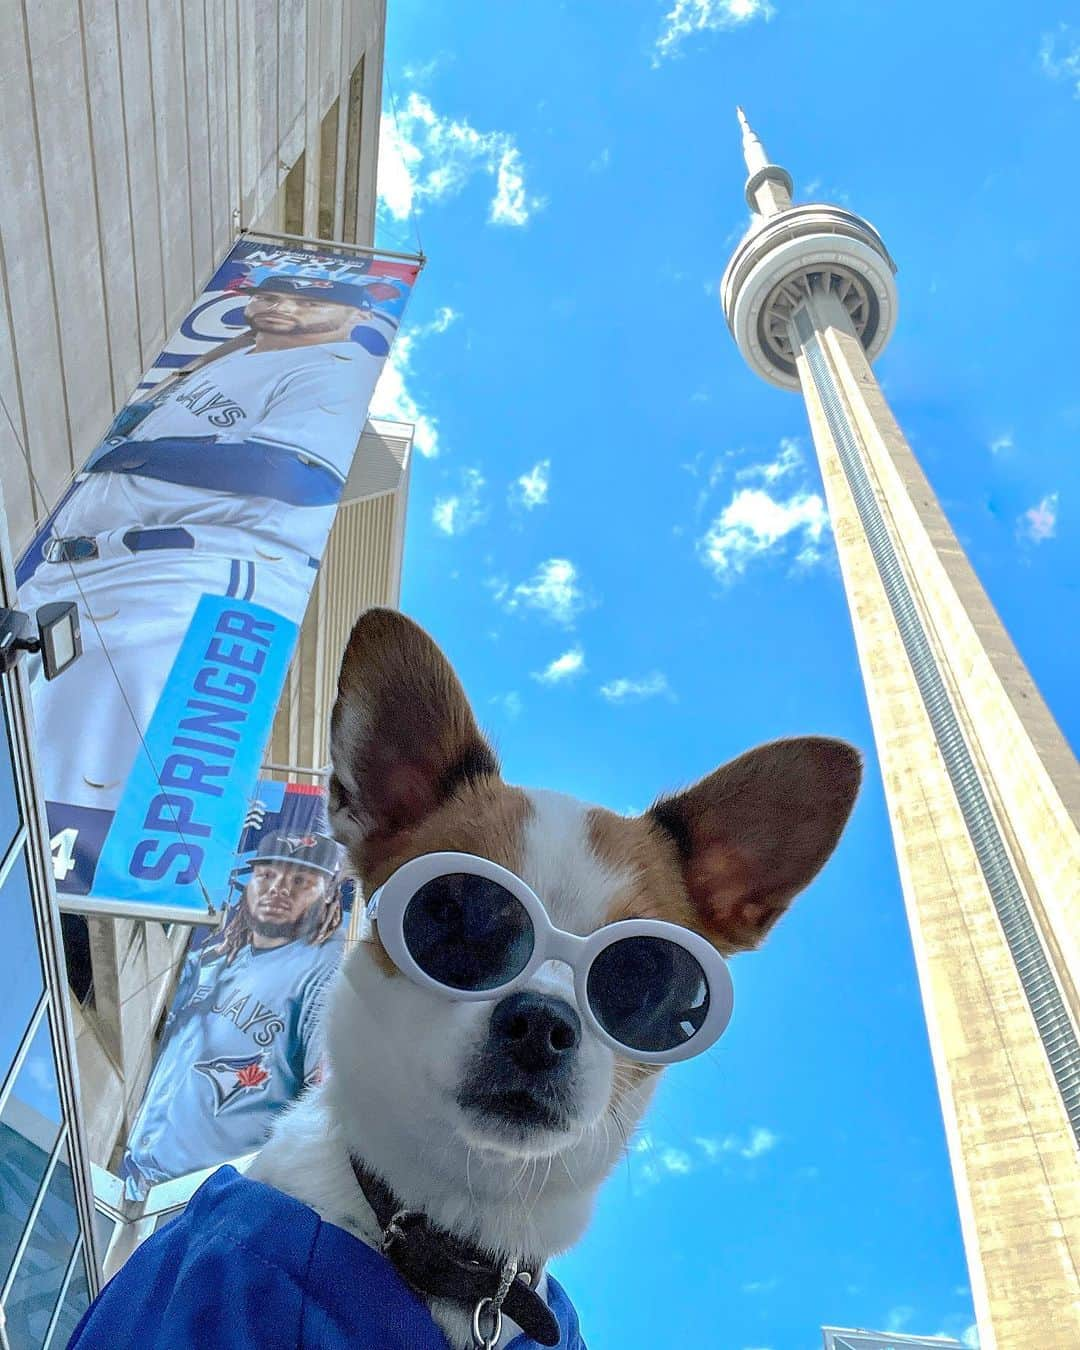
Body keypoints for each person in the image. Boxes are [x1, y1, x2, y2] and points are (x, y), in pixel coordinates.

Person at [18, 274, 395, 814]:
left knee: (71, 782)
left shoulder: (335, 370)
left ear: (355, 318)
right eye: (273, 293)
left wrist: (133, 455)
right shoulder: (238, 358)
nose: (282, 304)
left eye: (310, 301)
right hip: (77, 560)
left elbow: (297, 473)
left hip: (174, 574)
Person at [119, 832, 346, 1197]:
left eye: (300, 881)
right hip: (138, 1177)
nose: (278, 889)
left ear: (327, 894)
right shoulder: (214, 958)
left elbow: (326, 1095)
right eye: (267, 876)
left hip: (217, 1193)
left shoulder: (325, 971)